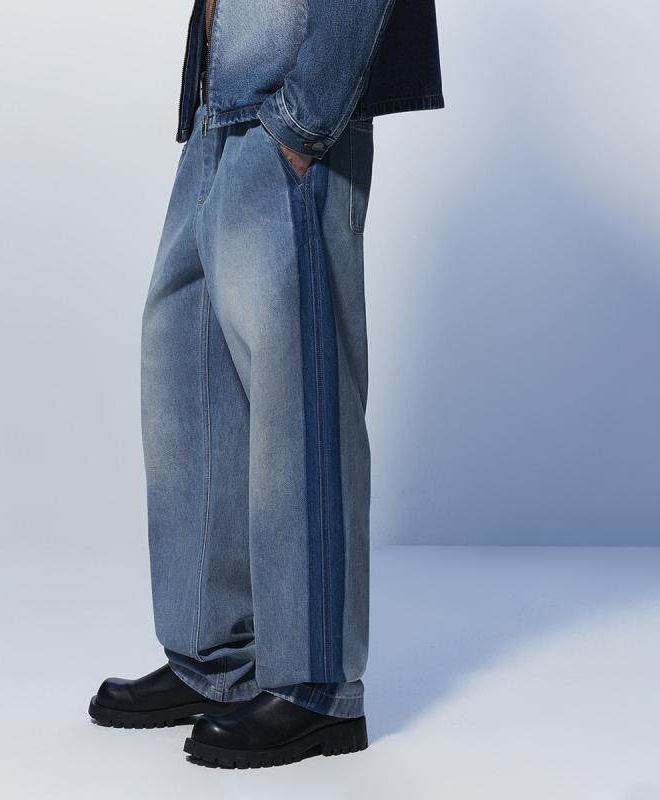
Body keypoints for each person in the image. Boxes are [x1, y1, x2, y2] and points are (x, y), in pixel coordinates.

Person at [88, 0, 443, 769]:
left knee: (298, 397)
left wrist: (306, 123)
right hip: (219, 111)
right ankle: (213, 662)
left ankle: (315, 688)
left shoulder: (300, 125)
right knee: (185, 376)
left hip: (292, 113)